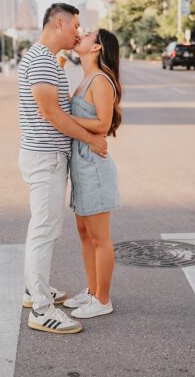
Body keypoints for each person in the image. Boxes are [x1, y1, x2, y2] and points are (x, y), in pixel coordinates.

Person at [18, 2, 107, 335]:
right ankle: (41, 309)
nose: (79, 32)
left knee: (44, 228)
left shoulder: (45, 58)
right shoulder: (41, 59)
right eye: (76, 26)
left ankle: (34, 289)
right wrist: (91, 139)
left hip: (44, 156)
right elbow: (52, 114)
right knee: (44, 229)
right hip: (45, 159)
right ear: (60, 22)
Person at [61, 28, 122, 319]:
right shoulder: (85, 78)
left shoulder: (100, 80)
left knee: (100, 238)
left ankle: (103, 299)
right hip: (82, 166)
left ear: (96, 47)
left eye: (86, 35)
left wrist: (62, 120)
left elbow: (103, 124)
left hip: (95, 168)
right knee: (84, 234)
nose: (80, 36)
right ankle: (92, 289)